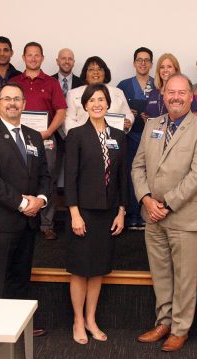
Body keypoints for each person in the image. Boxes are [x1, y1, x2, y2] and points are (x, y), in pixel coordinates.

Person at [132, 74, 197, 352]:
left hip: (184, 217)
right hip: (153, 215)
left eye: (182, 92)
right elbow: (138, 167)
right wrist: (146, 199)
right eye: (171, 92)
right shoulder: (152, 125)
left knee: (184, 278)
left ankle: (180, 329)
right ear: (163, 94)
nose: (176, 97)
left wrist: (166, 204)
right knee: (161, 274)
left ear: (191, 96)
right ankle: (164, 322)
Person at [0, 83, 51, 337]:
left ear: (24, 104)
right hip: (1, 221)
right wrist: (23, 203)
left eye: (17, 99)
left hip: (28, 223)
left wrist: (40, 200)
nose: (12, 103)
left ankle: (21, 326)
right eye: (7, 99)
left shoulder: (34, 136)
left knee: (21, 277)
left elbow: (44, 176)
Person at [64, 84, 127, 345]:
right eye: (92, 100)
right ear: (85, 105)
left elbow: (123, 178)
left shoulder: (119, 136)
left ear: (108, 104)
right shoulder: (76, 135)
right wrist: (74, 214)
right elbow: (70, 178)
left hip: (108, 213)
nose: (97, 104)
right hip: (83, 212)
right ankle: (78, 320)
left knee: (98, 269)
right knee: (80, 270)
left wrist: (122, 211)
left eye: (102, 99)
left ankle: (91, 319)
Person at [10, 42, 67, 241]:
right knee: (19, 176)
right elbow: (6, 107)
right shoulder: (15, 82)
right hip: (18, 138)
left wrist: (49, 131)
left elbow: (61, 111)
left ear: (42, 58)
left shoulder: (51, 82)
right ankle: (21, 219)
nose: (33, 58)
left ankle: (47, 224)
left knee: (47, 179)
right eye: (30, 55)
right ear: (24, 57)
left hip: (46, 138)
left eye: (37, 55)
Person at [117, 47, 155, 231]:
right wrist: (127, 114)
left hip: (153, 139)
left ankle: (146, 213)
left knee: (152, 175)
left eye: (146, 60)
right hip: (131, 137)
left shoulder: (158, 85)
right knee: (133, 175)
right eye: (139, 60)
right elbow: (114, 110)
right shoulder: (123, 86)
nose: (142, 63)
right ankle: (132, 214)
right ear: (134, 63)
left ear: (151, 64)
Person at [62, 56, 134, 134]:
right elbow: (68, 120)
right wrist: (81, 136)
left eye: (100, 69)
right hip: (83, 140)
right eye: (91, 69)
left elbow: (128, 114)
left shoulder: (118, 92)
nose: (96, 72)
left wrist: (128, 121)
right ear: (85, 74)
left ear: (105, 73)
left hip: (113, 139)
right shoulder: (73, 94)